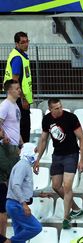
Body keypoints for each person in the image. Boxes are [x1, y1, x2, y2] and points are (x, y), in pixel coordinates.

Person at [34, 98, 83, 229]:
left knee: (67, 186)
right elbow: (44, 140)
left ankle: (66, 218)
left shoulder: (70, 118)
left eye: (60, 107)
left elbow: (81, 138)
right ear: (50, 109)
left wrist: (82, 159)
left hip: (71, 154)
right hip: (57, 155)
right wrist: (38, 159)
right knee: (56, 186)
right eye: (56, 108)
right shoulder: (46, 119)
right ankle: (76, 209)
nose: (60, 110)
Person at [0, 79, 23, 237]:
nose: (19, 90)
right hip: (7, 147)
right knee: (9, 182)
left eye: (19, 88)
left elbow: (14, 126)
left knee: (14, 182)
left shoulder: (15, 105)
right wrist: (2, 138)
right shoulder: (5, 105)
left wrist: (21, 140)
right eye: (16, 88)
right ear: (9, 90)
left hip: (15, 146)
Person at [6, 143, 42, 243]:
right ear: (28, 151)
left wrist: (38, 194)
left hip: (14, 204)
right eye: (35, 151)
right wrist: (24, 204)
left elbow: (22, 188)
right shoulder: (23, 165)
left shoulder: (24, 165)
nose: (36, 154)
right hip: (16, 204)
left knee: (19, 233)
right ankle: (10, 241)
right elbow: (15, 185)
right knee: (36, 228)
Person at [3, 32, 32, 143]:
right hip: (19, 100)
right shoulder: (17, 59)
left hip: (17, 98)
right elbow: (15, 81)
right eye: (22, 42)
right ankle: (22, 155)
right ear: (17, 43)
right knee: (24, 129)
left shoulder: (20, 56)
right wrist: (23, 99)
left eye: (27, 41)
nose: (26, 44)